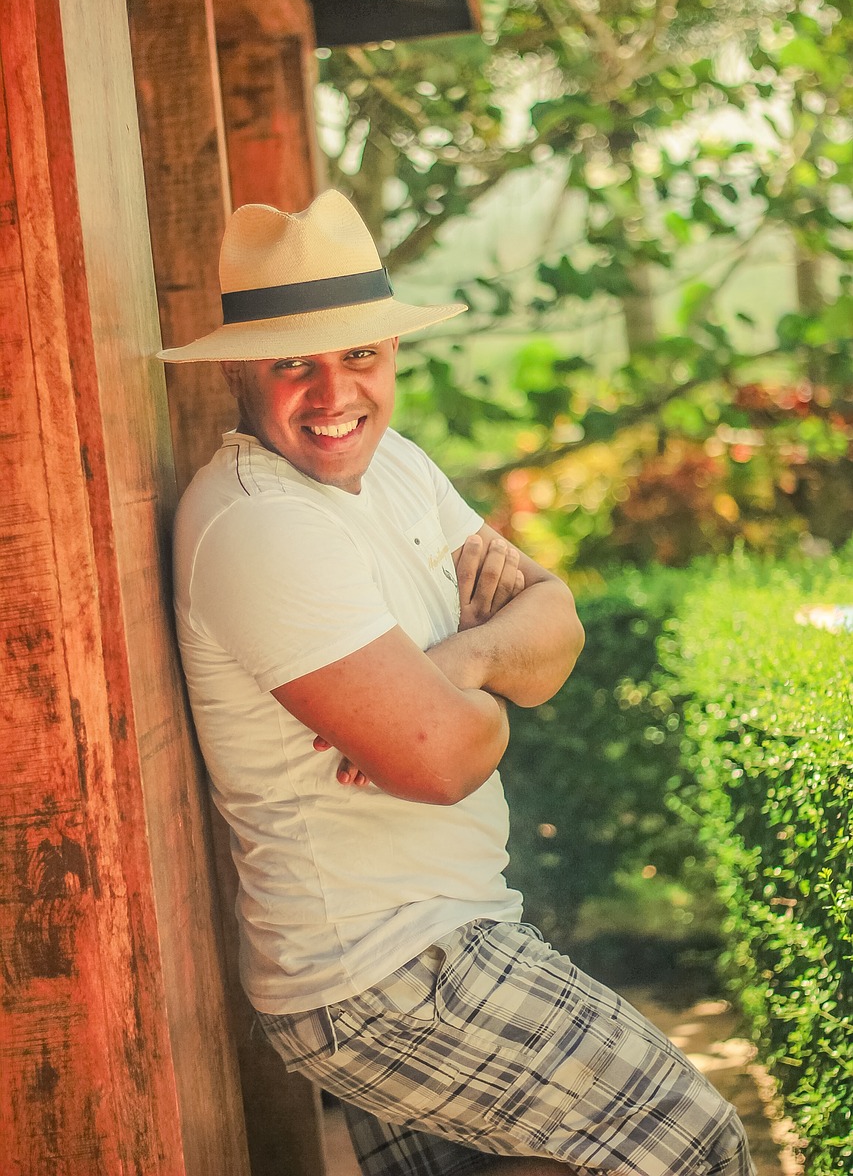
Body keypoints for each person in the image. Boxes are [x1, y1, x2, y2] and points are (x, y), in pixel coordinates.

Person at [159, 191, 754, 1176]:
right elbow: (442, 762)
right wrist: (472, 692)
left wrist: (461, 663)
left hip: (440, 936)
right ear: (238, 369)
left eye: (358, 354)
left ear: (392, 351)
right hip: (381, 969)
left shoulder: (395, 465)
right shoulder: (261, 522)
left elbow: (554, 626)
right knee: (693, 1141)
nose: (333, 392)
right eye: (292, 362)